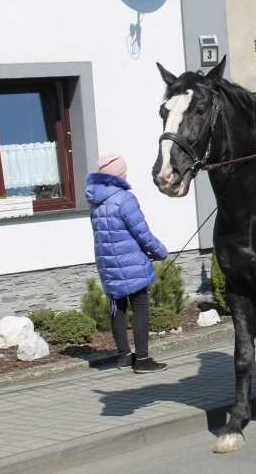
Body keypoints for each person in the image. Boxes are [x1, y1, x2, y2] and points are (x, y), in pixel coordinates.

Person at [86, 153, 169, 374]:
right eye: (124, 170)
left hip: (108, 263)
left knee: (118, 305)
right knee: (140, 305)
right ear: (118, 174)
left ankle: (123, 356)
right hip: (130, 262)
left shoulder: (95, 201)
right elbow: (142, 233)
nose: (126, 173)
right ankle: (142, 360)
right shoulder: (124, 198)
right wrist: (160, 252)